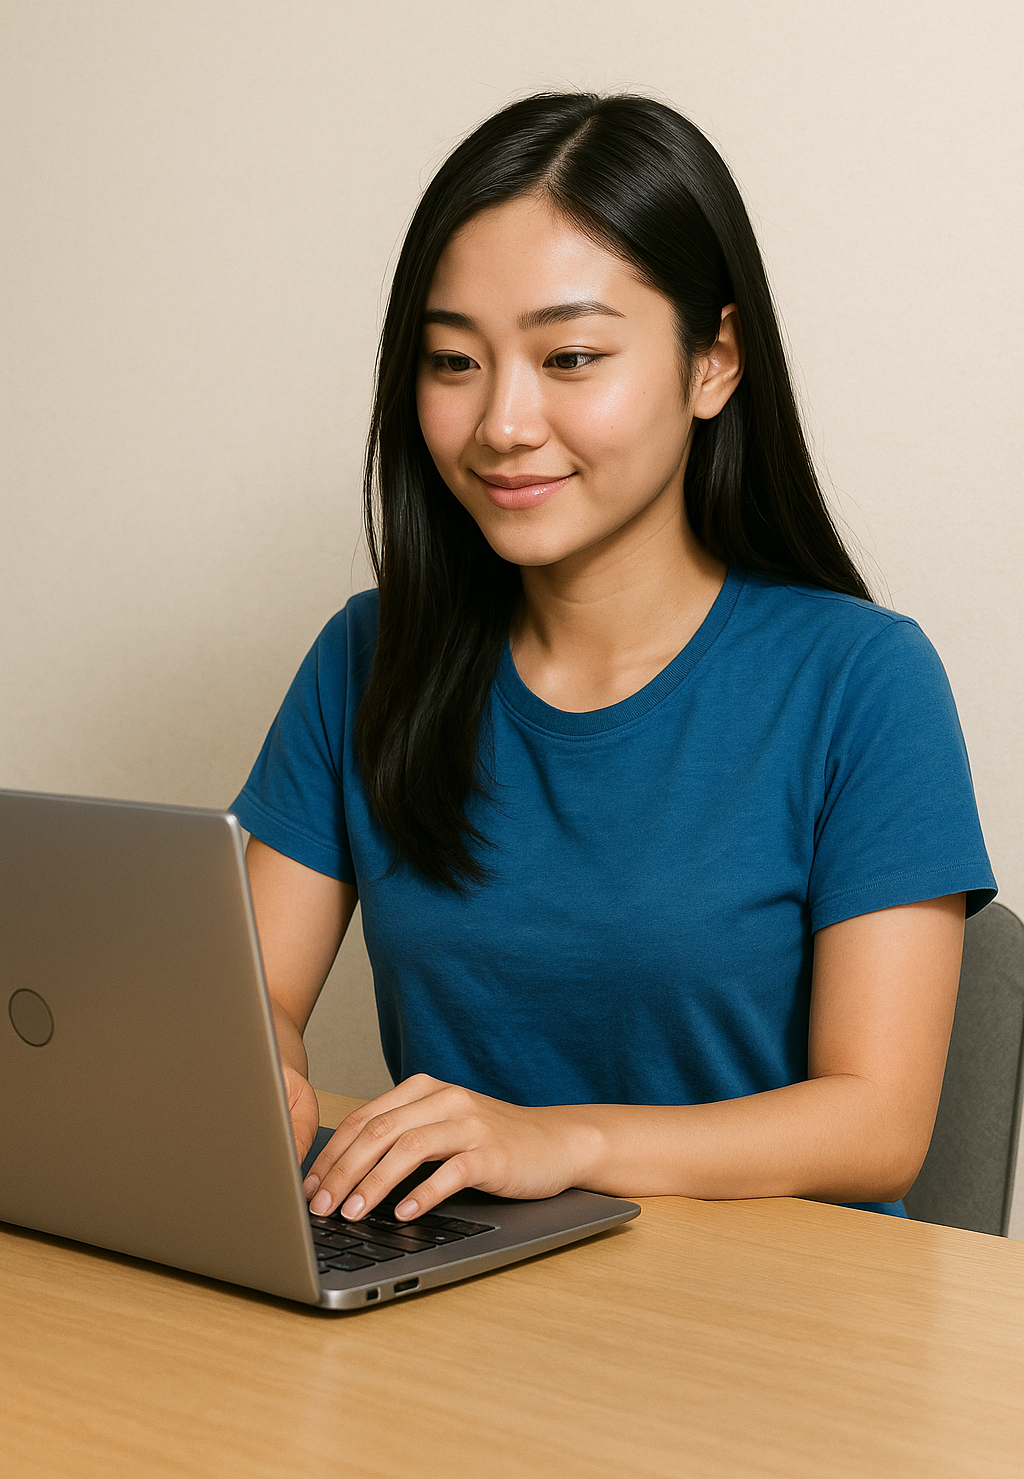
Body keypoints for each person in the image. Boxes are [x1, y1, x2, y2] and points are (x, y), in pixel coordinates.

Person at [231, 91, 996, 1228]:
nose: (503, 421)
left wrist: (559, 1140)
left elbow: (876, 1129)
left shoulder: (859, 680)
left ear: (713, 363)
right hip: (460, 1300)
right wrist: (268, 1076)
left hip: (775, 1337)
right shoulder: (367, 656)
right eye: (452, 361)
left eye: (572, 355)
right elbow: (250, 1003)